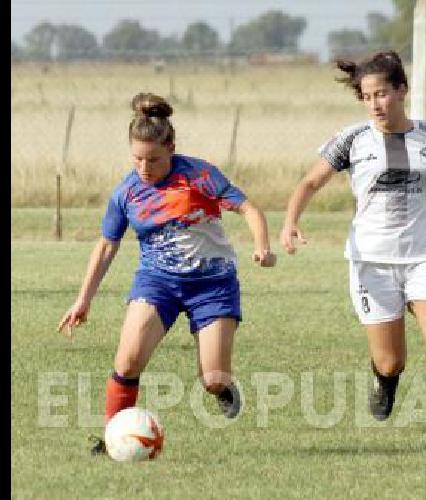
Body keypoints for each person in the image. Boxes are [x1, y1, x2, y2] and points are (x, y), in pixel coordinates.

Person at [278, 51, 426, 450]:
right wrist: (290, 222)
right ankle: (384, 381)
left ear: (402, 91)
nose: (375, 104)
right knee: (391, 361)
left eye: (382, 94)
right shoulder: (352, 139)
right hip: (372, 261)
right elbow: (309, 183)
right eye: (368, 96)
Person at [58, 92, 276, 455]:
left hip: (213, 283)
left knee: (212, 378)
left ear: (172, 148)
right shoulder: (126, 192)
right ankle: (113, 437)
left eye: (154, 159)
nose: (144, 168)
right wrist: (83, 300)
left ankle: (222, 389)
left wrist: (262, 246)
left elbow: (249, 209)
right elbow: (106, 245)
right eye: (137, 159)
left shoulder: (199, 175)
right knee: (127, 361)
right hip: (157, 281)